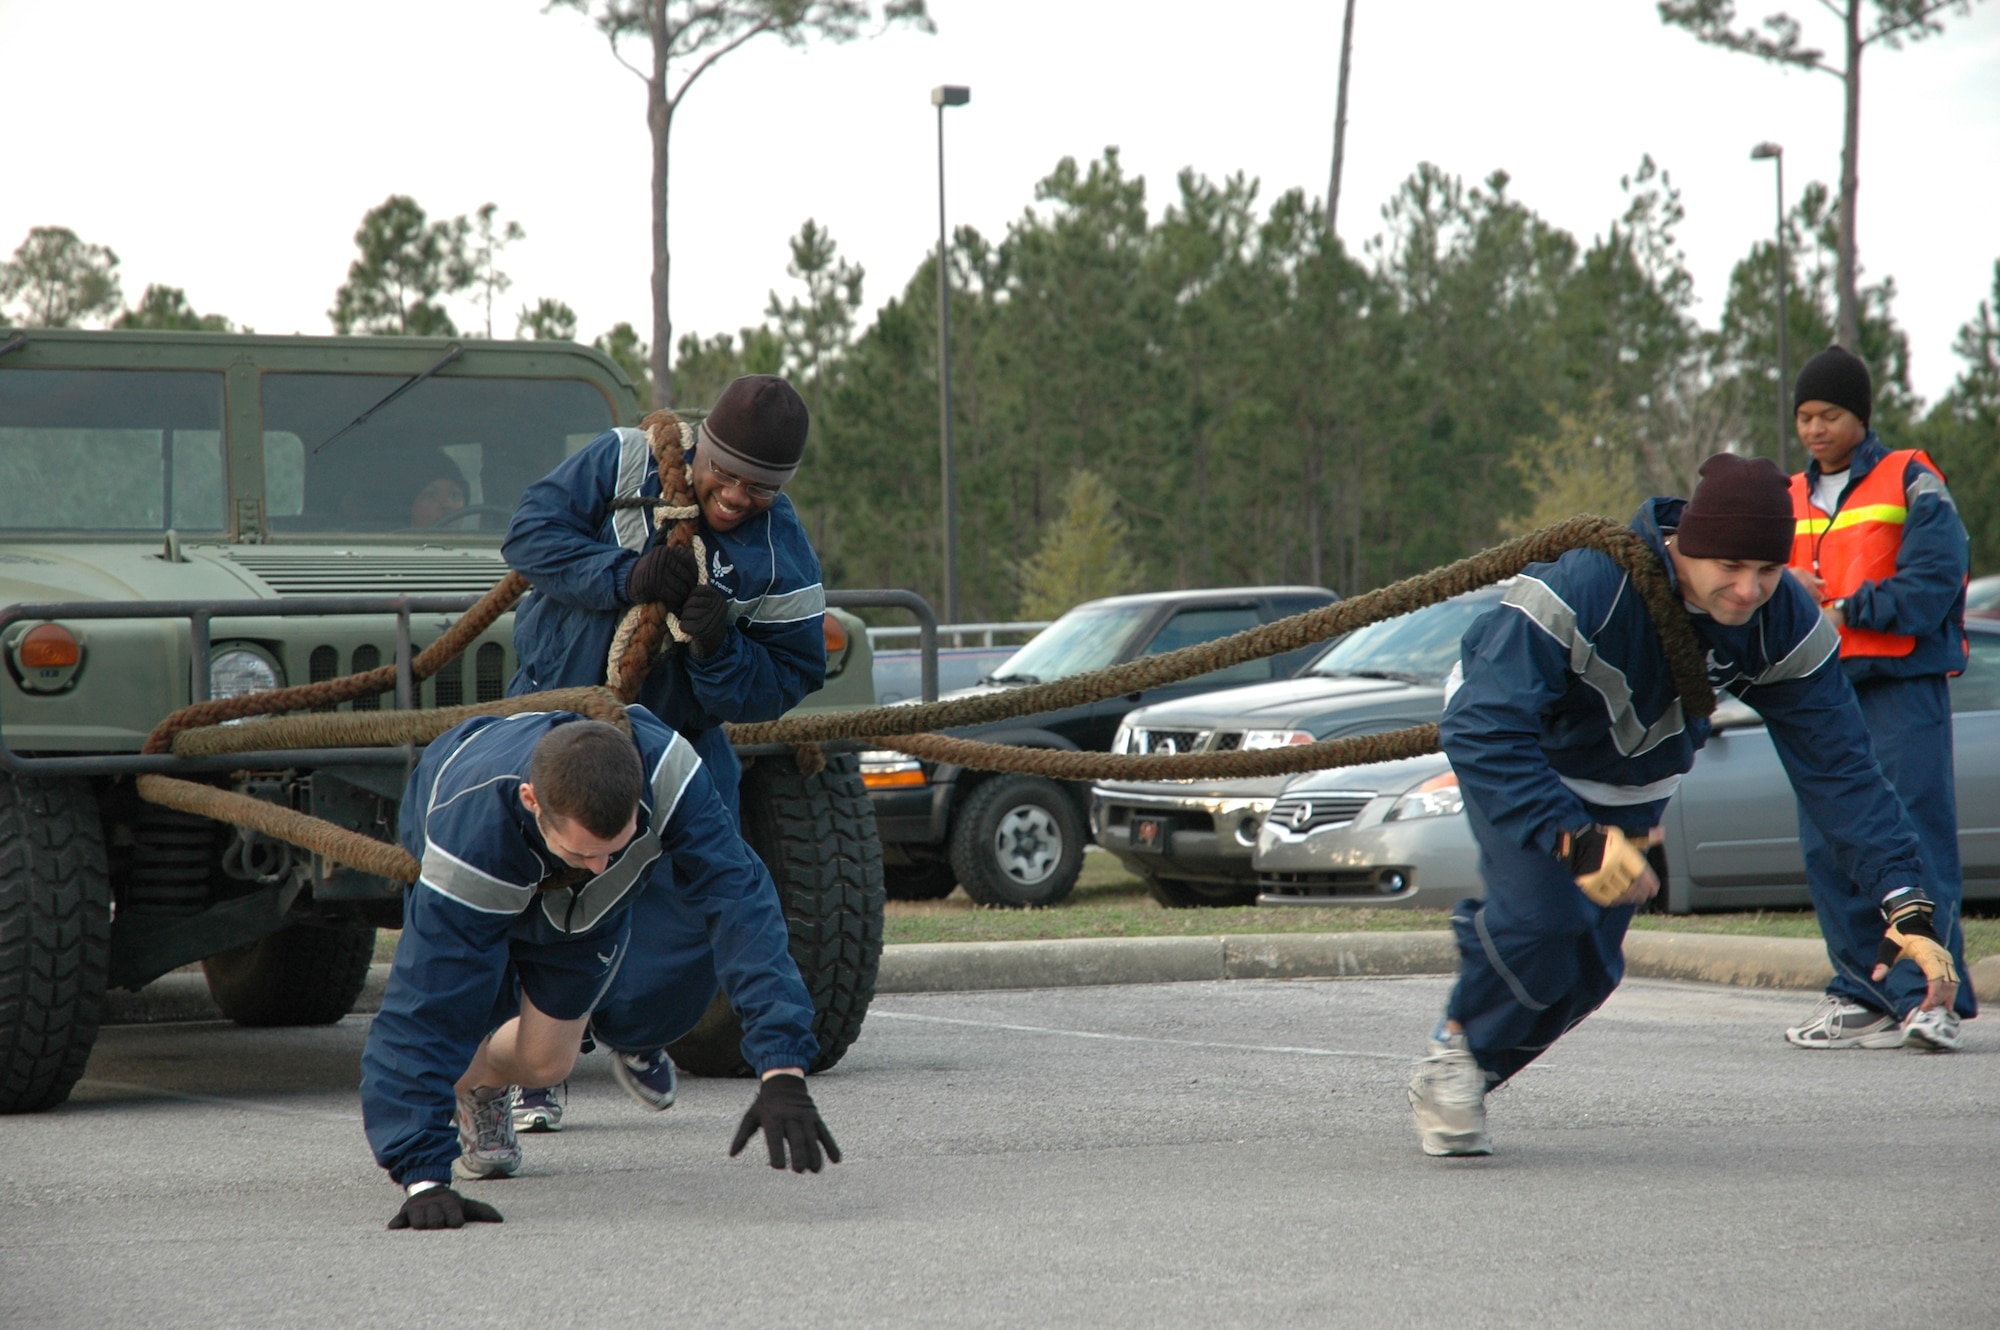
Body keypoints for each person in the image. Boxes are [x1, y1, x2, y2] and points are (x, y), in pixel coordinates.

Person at [1407, 453, 1960, 1157]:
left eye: (1766, 569)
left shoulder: (1781, 618)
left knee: (1590, 972)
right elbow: (1483, 726)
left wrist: (1904, 896)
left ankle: (1473, 1066)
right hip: (1524, 760)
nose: (1748, 588)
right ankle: (1455, 1050)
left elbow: (1841, 768)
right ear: (1686, 545)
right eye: (1730, 566)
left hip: (1632, 784)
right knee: (1541, 923)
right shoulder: (1588, 584)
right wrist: (1574, 840)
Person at [361, 708, 840, 1231]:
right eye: (583, 852)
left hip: (587, 917)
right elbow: (425, 1008)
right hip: (484, 847)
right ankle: (449, 1108)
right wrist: (425, 1178)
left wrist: (782, 1068)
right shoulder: (469, 832)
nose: (597, 869)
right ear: (532, 802)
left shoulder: (669, 774)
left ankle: (482, 1085)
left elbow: (744, 912)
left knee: (547, 1065)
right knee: (456, 1018)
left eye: (615, 850)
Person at [500, 374, 826, 1130]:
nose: (739, 497)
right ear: (702, 442)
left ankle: (637, 1028)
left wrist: (717, 647)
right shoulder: (621, 463)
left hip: (677, 743)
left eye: (762, 488)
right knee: (530, 893)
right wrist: (623, 576)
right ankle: (531, 1068)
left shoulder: (783, 556)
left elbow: (788, 677)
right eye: (728, 474)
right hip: (555, 717)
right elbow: (530, 533)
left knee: (692, 904)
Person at [1783, 345, 1975, 1051]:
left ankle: (1931, 998)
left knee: (1912, 839)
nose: (1814, 429)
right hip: (1823, 693)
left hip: (1899, 689)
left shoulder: (1912, 480)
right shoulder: (1790, 498)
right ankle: (1863, 991)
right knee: (1830, 844)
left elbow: (1934, 584)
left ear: (1860, 415)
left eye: (1828, 414)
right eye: (1803, 416)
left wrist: (1846, 612)